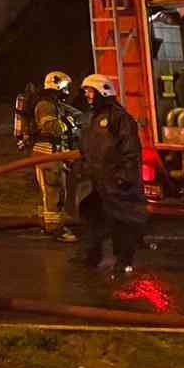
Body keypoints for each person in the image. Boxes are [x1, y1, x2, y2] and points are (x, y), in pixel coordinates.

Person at [74, 73, 147, 276]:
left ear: (102, 91)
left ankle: (123, 261)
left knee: (121, 222)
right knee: (93, 220)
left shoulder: (119, 118)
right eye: (86, 91)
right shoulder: (90, 118)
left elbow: (131, 150)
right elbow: (85, 147)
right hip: (94, 181)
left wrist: (124, 176)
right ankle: (91, 257)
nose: (87, 95)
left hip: (114, 181)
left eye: (90, 91)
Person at [31, 71, 81, 242]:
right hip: (47, 156)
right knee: (53, 193)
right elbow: (51, 127)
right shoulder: (45, 105)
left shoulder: (55, 104)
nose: (67, 91)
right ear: (57, 85)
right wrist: (71, 122)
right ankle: (55, 230)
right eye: (66, 87)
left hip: (55, 155)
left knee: (56, 192)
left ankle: (49, 225)